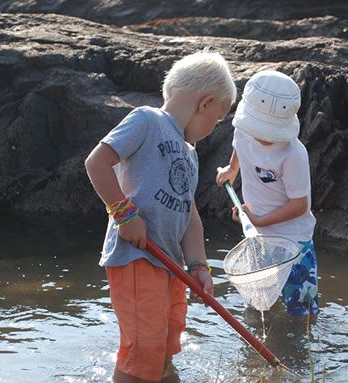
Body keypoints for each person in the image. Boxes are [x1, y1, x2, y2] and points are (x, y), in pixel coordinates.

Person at [85, 50, 236, 383]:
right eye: (218, 120)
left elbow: (189, 213)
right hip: (137, 258)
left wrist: (198, 266)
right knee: (142, 351)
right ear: (206, 103)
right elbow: (96, 163)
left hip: (170, 266)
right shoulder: (146, 120)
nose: (213, 129)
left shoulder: (190, 153)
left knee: (165, 345)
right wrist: (124, 214)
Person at [216, 70, 319, 319]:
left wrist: (259, 220)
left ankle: (299, 349)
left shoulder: (293, 154)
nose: (261, 137)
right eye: (257, 129)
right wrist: (232, 169)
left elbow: (300, 206)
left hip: (294, 241)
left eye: (269, 133)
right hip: (259, 239)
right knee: (260, 305)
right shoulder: (242, 131)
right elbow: (240, 148)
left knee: (302, 311)